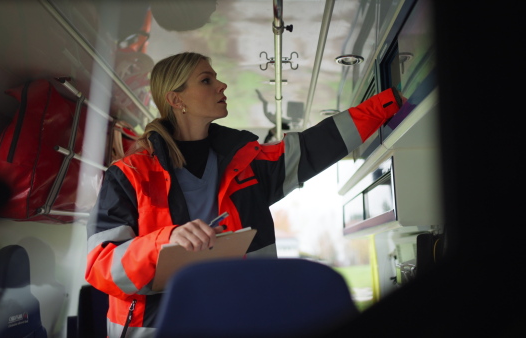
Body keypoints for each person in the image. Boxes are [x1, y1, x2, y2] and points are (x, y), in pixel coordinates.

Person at [85, 52, 404, 337]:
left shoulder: (247, 161)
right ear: (176, 100)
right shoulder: (128, 174)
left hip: (242, 320)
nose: (221, 85)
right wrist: (165, 243)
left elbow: (315, 146)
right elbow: (100, 265)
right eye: (206, 80)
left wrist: (389, 102)